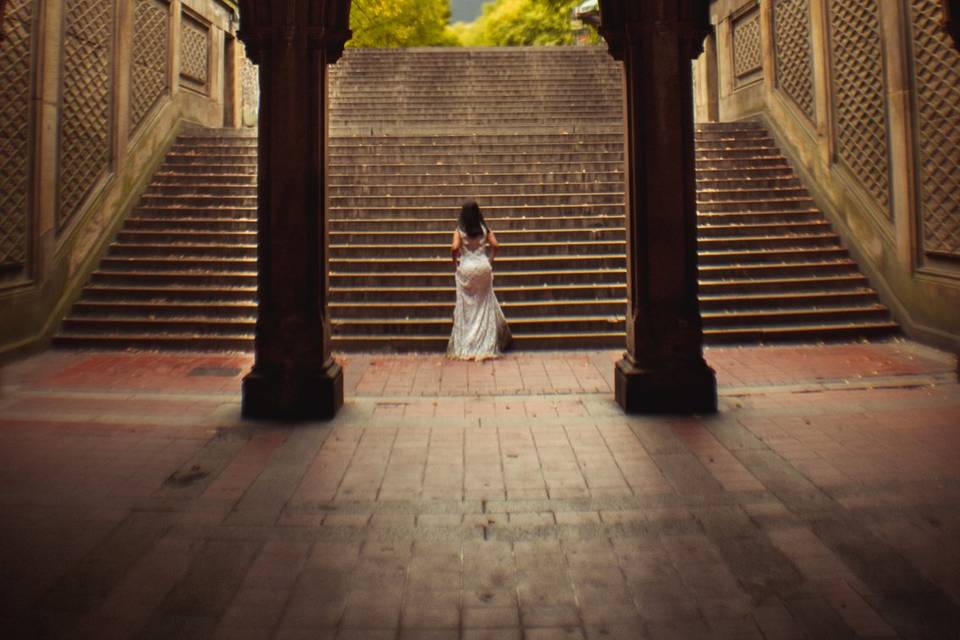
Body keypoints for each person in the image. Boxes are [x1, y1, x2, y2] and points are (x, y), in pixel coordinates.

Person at [447, 200, 511, 360]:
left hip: (467, 267)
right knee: (483, 304)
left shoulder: (459, 230)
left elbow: (454, 248)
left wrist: (455, 263)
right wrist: (490, 260)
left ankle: (468, 340)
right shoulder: (484, 229)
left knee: (468, 306)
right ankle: (485, 340)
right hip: (483, 267)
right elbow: (496, 245)